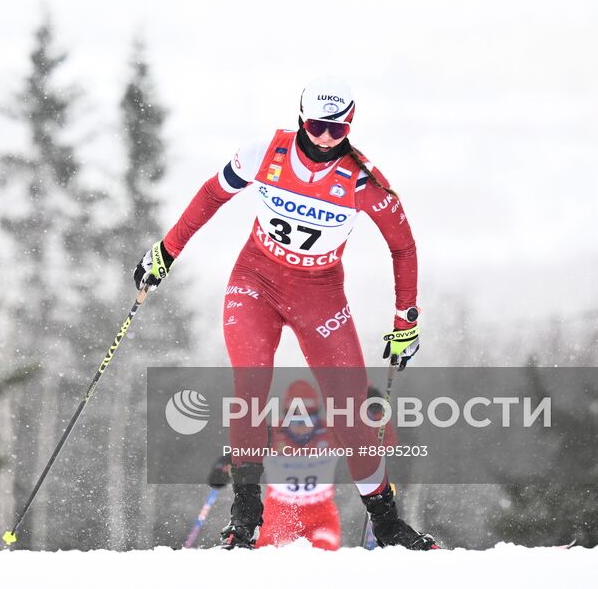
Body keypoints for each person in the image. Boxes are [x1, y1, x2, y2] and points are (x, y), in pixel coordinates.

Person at [135, 77, 435, 550]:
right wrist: (166, 252)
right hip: (255, 280)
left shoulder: (363, 180)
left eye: (337, 130)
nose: (325, 138)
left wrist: (406, 321)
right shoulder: (264, 154)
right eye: (317, 126)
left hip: (320, 294)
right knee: (251, 384)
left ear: (349, 127)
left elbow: (403, 247)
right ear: (302, 119)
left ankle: (389, 525)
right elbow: (212, 195)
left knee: (351, 412)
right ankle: (245, 516)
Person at [206, 379, 345, 550]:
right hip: (278, 515)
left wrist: (373, 417)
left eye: (308, 419)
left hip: (321, 517)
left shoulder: (331, 434)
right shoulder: (271, 434)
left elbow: (375, 446)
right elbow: (241, 453)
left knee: (323, 554)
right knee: (265, 554)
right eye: (295, 419)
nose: (301, 426)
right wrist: (223, 466)